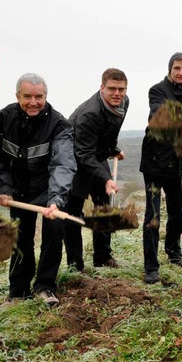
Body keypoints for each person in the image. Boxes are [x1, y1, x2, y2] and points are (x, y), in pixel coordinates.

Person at [0, 73, 76, 305]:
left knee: (54, 233)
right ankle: (18, 291)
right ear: (17, 96)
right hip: (18, 189)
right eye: (27, 96)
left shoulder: (59, 124)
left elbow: (63, 163)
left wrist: (56, 198)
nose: (33, 102)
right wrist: (4, 187)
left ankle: (45, 286)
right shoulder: (2, 120)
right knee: (20, 236)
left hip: (49, 187)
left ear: (46, 96)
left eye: (39, 96)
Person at [140, 52, 182, 284]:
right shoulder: (157, 90)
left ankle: (174, 252)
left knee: (177, 213)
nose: (181, 72)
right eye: (177, 68)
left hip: (176, 162)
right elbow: (159, 116)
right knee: (153, 216)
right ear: (170, 69)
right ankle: (151, 267)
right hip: (154, 162)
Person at [63, 68, 129, 271]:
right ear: (102, 88)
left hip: (95, 156)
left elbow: (108, 132)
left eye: (121, 89)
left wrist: (112, 150)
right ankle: (75, 265)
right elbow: (83, 154)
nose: (117, 93)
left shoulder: (124, 102)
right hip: (74, 160)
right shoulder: (89, 114)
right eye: (112, 89)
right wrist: (106, 179)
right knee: (73, 213)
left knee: (104, 205)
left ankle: (102, 257)